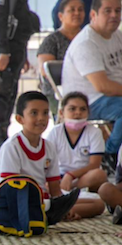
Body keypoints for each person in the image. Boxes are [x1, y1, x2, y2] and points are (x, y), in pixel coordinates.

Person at [0, 91, 103, 223]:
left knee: (98, 204)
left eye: (45, 113)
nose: (41, 118)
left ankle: (49, 215)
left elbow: (55, 190)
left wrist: (63, 206)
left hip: (45, 201)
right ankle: (39, 215)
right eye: (34, 113)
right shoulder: (11, 147)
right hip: (22, 202)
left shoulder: (48, 147)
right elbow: (9, 189)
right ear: (20, 119)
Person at [62, 0, 122, 170]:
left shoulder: (117, 36)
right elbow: (103, 86)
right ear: (93, 14)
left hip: (113, 97)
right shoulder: (86, 43)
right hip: (90, 101)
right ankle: (109, 154)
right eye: (107, 11)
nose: (114, 15)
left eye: (118, 10)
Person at [0, 0, 41, 153]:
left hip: (16, 47)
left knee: (10, 92)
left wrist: (23, 55)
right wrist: (3, 50)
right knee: (1, 91)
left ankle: (3, 133)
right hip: (6, 47)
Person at [46, 92, 108, 193]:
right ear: (61, 113)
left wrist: (71, 175)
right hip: (60, 176)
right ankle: (63, 189)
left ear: (88, 113)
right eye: (72, 109)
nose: (78, 112)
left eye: (83, 109)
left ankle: (67, 189)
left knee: (99, 174)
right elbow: (47, 160)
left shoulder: (94, 132)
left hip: (84, 177)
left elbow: (94, 164)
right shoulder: (55, 132)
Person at [38, 0, 86, 116]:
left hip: (88, 88)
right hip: (58, 93)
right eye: (72, 10)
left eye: (80, 10)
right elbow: (45, 71)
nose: (77, 13)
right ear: (60, 16)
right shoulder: (52, 40)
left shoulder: (88, 39)